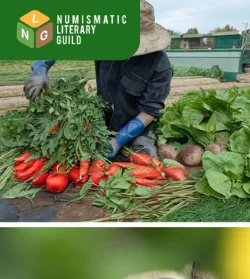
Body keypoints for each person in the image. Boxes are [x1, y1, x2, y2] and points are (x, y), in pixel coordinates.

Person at [23, 0, 173, 160]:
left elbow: (149, 112)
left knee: (145, 156)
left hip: (138, 127)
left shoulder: (160, 66)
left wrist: (119, 139)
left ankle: (139, 141)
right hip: (102, 121)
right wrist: (41, 67)